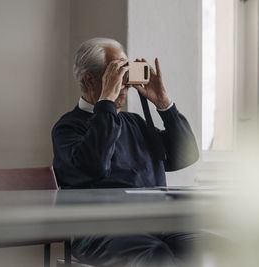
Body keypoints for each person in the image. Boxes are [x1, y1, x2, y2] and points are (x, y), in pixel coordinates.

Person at [51, 38, 199, 266]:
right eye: (116, 73)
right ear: (89, 80)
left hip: (156, 225)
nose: (125, 84)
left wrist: (164, 103)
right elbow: (95, 165)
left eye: (125, 73)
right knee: (156, 255)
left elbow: (185, 155)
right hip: (100, 233)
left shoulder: (135, 123)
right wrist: (107, 101)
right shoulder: (68, 128)